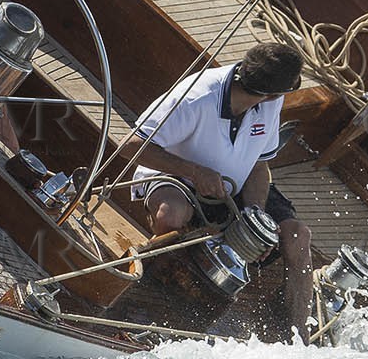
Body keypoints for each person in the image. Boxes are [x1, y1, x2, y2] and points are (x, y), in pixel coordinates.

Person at [128, 43, 314, 342]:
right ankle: (148, 297)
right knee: (171, 216)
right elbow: (132, 147)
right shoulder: (196, 98)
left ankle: (297, 335)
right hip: (175, 177)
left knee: (297, 235)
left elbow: (258, 165)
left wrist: (254, 216)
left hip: (236, 183)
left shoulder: (271, 102)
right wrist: (195, 172)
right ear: (274, 93)